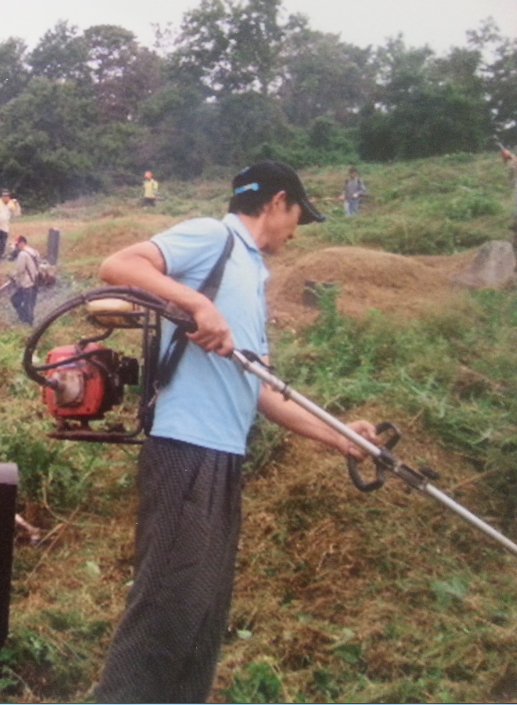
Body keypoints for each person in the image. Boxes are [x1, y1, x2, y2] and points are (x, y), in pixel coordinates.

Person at [93, 161, 379, 703]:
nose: (298, 230)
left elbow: (264, 392)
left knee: (201, 613)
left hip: (224, 454)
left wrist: (339, 437)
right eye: (299, 215)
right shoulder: (213, 236)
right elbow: (117, 264)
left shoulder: (252, 272)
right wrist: (197, 302)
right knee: (166, 608)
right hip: (185, 447)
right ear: (276, 202)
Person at [9, 236, 40, 325]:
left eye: (17, 244)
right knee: (30, 305)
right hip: (35, 282)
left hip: (26, 284)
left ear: (22, 242)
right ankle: (27, 321)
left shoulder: (23, 254)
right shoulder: (35, 252)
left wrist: (13, 276)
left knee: (16, 300)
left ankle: (26, 322)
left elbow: (20, 270)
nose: (17, 246)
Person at [501, 146, 517, 233]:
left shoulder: (511, 163)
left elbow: (510, 177)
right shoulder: (514, 159)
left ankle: (515, 225)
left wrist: (510, 184)